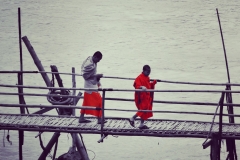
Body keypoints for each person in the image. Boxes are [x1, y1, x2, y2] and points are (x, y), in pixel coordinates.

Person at [78, 51, 105, 124]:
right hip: (90, 85)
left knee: (86, 102)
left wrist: (97, 77)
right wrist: (97, 76)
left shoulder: (90, 59)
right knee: (99, 100)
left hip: (91, 84)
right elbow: (85, 76)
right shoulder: (89, 64)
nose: (98, 62)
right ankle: (99, 119)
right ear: (95, 57)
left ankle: (81, 118)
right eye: (98, 60)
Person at [128, 65, 157, 129]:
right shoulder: (139, 77)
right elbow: (136, 85)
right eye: (147, 72)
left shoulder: (147, 78)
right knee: (143, 109)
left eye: (149, 72)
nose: (148, 73)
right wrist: (141, 87)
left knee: (146, 110)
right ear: (143, 71)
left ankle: (141, 124)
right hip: (141, 97)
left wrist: (153, 83)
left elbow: (148, 85)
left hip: (146, 96)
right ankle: (132, 118)